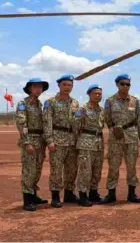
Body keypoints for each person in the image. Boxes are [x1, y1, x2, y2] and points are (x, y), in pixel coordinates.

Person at [100, 74, 140, 203]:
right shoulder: (110, 101)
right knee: (113, 166)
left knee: (131, 167)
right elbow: (107, 118)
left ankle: (132, 194)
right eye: (122, 84)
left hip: (131, 137)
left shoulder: (135, 101)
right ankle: (111, 194)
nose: (125, 86)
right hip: (116, 138)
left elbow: (138, 119)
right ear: (117, 85)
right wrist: (115, 129)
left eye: (128, 84)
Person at [43, 74, 80, 208]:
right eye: (64, 85)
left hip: (72, 141)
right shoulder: (51, 102)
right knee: (56, 169)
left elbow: (78, 123)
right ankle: (55, 195)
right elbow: (47, 122)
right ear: (59, 85)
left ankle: (69, 193)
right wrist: (49, 140)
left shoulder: (75, 103)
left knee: (72, 169)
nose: (67, 87)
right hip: (57, 139)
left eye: (69, 85)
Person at [16, 78, 49, 211]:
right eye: (35, 86)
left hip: (40, 140)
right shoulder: (23, 103)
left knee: (37, 170)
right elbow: (21, 123)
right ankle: (27, 199)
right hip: (30, 139)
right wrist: (27, 142)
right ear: (29, 88)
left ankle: (33, 195)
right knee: (29, 170)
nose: (38, 89)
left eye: (40, 87)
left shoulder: (39, 105)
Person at [73, 84, 105, 207]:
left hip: (98, 143)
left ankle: (93, 193)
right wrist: (80, 141)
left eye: (100, 94)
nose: (98, 95)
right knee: (85, 171)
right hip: (86, 142)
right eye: (95, 93)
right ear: (89, 94)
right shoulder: (83, 109)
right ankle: (82, 195)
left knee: (97, 170)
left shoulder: (102, 110)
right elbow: (76, 127)